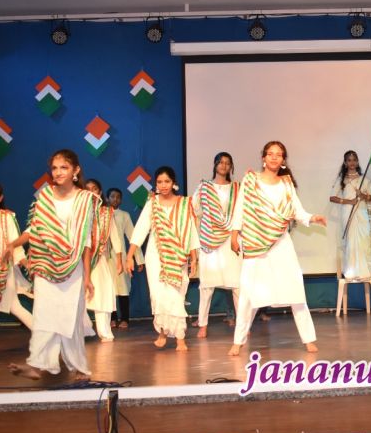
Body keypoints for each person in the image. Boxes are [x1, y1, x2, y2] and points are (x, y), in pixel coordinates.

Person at [228, 141, 327, 356]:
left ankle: (308, 338)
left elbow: (297, 211)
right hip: (254, 242)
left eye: (279, 154)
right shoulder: (250, 180)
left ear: (283, 160)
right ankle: (238, 341)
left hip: (280, 242)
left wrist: (312, 218)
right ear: (264, 157)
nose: (274, 157)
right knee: (248, 291)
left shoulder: (286, 183)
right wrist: (235, 234)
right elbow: (240, 208)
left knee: (295, 288)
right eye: (270, 154)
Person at [8, 150, 99, 380]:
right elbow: (35, 228)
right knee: (43, 315)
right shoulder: (46, 196)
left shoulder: (84, 200)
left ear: (76, 170)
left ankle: (79, 367)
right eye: (55, 168)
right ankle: (38, 365)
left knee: (70, 319)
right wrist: (14, 243)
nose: (58, 172)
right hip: (45, 264)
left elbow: (85, 242)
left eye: (64, 167)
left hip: (72, 267)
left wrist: (88, 277)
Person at [127, 167, 199, 351]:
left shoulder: (184, 203)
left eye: (167, 181)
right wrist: (130, 255)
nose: (163, 185)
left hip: (177, 254)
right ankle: (163, 332)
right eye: (159, 182)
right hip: (156, 254)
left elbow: (191, 231)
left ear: (174, 183)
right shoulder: (152, 203)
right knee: (158, 296)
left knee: (176, 295)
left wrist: (194, 259)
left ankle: (180, 337)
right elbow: (141, 229)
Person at [191, 152, 242, 338]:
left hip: (232, 239)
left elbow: (242, 212)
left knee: (237, 285)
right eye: (220, 162)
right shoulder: (204, 187)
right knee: (207, 286)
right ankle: (203, 325)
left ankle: (242, 326)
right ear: (215, 164)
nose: (224, 166)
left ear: (231, 167)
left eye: (227, 163)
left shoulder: (237, 188)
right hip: (209, 239)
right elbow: (194, 209)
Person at [0, 181, 33, 330]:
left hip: (2, 268)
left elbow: (14, 244)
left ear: (0, 198)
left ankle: (42, 334)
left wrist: (26, 264)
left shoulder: (6, 217)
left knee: (14, 306)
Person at [329, 150, 371, 283]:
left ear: (357, 162)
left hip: (361, 213)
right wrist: (348, 201)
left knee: (363, 240)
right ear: (345, 163)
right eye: (349, 160)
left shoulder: (364, 180)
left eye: (354, 160)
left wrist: (363, 195)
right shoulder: (341, 180)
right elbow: (332, 197)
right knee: (350, 241)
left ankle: (364, 272)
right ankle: (351, 271)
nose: (352, 163)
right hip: (347, 212)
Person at [84, 179, 122, 342]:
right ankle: (84, 329)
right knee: (78, 298)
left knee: (102, 294)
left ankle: (104, 331)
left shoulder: (107, 213)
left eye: (94, 189)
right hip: (79, 261)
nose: (91, 192)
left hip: (99, 260)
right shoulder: (78, 211)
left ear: (99, 192)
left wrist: (119, 259)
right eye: (87, 189)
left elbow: (115, 237)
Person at [108, 187, 141, 329]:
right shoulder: (102, 214)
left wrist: (139, 259)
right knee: (108, 289)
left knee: (123, 289)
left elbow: (133, 236)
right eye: (112, 196)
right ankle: (112, 318)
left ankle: (125, 318)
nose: (115, 199)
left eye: (118, 197)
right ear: (107, 198)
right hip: (105, 258)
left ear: (121, 200)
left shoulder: (124, 215)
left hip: (120, 258)